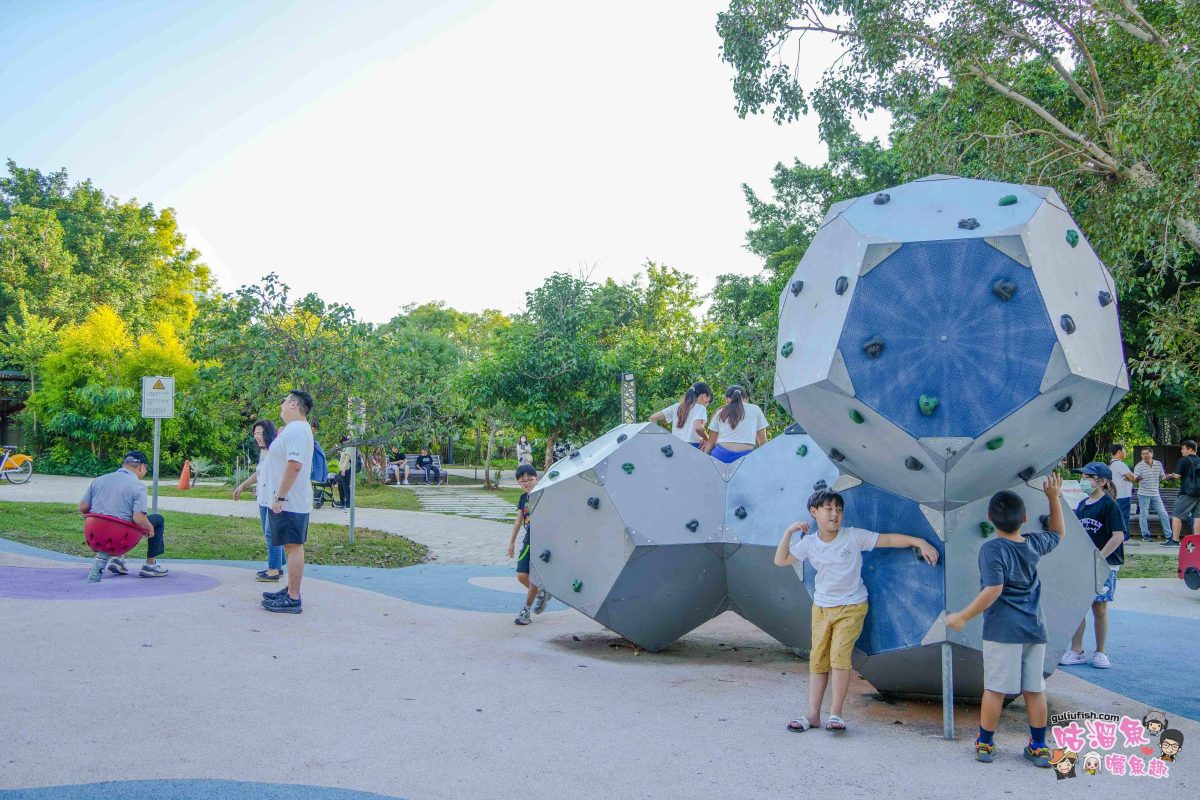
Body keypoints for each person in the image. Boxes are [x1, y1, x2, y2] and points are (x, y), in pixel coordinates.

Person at [773, 488, 939, 732]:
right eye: (828, 509)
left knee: (839, 658)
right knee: (818, 659)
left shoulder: (853, 536)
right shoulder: (809, 544)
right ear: (814, 512)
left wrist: (918, 541)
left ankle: (836, 715)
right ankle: (813, 714)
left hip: (852, 606)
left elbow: (888, 540)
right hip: (822, 608)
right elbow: (781, 560)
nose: (834, 515)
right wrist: (789, 532)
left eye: (839, 510)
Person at [946, 476, 1064, 767]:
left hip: (1002, 631)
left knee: (996, 688)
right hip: (1034, 630)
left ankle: (985, 743)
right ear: (1025, 518)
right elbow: (1058, 533)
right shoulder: (1035, 543)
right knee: (1034, 689)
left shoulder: (992, 550)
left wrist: (963, 615)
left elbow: (994, 589)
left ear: (989, 518)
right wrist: (1053, 497)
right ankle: (1038, 746)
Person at [1059, 462, 1126, 669]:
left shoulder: (1109, 504)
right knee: (1078, 607)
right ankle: (1076, 649)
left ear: (1102, 482)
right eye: (1084, 477)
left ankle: (1100, 651)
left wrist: (1100, 556)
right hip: (1083, 564)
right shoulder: (1082, 505)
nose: (1084, 480)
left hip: (1105, 565)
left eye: (1088, 477)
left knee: (1099, 607)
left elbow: (1118, 536)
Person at [261, 389, 315, 614]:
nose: (281, 405)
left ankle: (293, 597)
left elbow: (294, 465)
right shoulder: (294, 430)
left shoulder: (298, 431)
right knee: (290, 546)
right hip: (287, 501)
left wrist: (280, 497)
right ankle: (291, 589)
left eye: (283, 402)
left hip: (289, 501)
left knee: (293, 548)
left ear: (294, 404)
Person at [79, 451, 168, 581]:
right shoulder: (138, 486)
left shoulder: (99, 480)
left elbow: (83, 508)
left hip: (94, 533)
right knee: (157, 519)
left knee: (119, 515)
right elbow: (138, 518)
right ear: (142, 467)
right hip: (120, 538)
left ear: (123, 464)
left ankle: (118, 560)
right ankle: (150, 565)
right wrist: (150, 528)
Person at [232, 419, 287, 581]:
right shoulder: (263, 452)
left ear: (268, 433)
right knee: (268, 533)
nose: (256, 436)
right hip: (263, 499)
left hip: (274, 499)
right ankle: (278, 565)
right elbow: (259, 473)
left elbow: (284, 429)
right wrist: (242, 485)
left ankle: (273, 570)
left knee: (272, 534)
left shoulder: (276, 450)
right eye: (255, 433)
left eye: (260, 433)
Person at [507, 464, 549, 625]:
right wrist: (511, 541)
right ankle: (540, 593)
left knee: (535, 576)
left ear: (536, 479)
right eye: (522, 481)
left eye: (530, 480)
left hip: (544, 540)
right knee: (521, 575)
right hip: (529, 539)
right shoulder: (523, 498)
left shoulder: (544, 494)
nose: (526, 483)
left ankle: (526, 610)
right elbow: (519, 520)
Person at [706, 385, 768, 463]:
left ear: (726, 399)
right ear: (746, 399)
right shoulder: (755, 409)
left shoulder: (720, 412)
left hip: (721, 456)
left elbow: (711, 443)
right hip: (746, 457)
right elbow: (763, 442)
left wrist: (703, 459)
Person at [649, 382, 712, 448]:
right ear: (705, 396)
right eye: (708, 403)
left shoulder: (677, 406)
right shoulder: (700, 408)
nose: (706, 406)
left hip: (675, 446)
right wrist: (707, 440)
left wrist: (655, 439)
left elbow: (653, 418)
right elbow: (698, 427)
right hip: (692, 447)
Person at [1166, 440, 1200, 547]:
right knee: (1198, 516)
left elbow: (1177, 475)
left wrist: (1170, 475)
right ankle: (1197, 540)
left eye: (1183, 448)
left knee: (1177, 514)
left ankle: (1175, 540)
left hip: (1188, 492)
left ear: (1190, 449)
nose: (1181, 451)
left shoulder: (1184, 460)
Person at [1133, 448, 1170, 542]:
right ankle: (1145, 536)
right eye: (1142, 454)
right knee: (1144, 515)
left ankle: (1169, 536)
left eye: (1147, 453)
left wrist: (1169, 476)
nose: (1145, 455)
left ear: (1152, 454)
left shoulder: (1158, 464)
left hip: (1155, 494)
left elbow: (1163, 477)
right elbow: (1135, 479)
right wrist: (1137, 479)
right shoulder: (1139, 466)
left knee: (1164, 514)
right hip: (1143, 494)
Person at [1109, 444, 1134, 541]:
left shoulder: (1111, 464)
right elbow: (1131, 477)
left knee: (1118, 516)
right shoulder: (1120, 464)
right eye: (1124, 451)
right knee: (1124, 516)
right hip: (1123, 495)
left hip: (1115, 494)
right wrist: (1129, 477)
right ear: (1119, 452)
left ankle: (1117, 536)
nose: (1125, 453)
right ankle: (1125, 538)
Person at [335, 435, 354, 508]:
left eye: (342, 442)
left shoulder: (348, 448)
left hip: (345, 470)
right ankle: (342, 502)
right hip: (341, 470)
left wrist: (343, 470)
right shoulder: (344, 448)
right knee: (340, 486)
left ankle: (348, 503)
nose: (342, 444)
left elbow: (346, 460)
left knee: (345, 487)